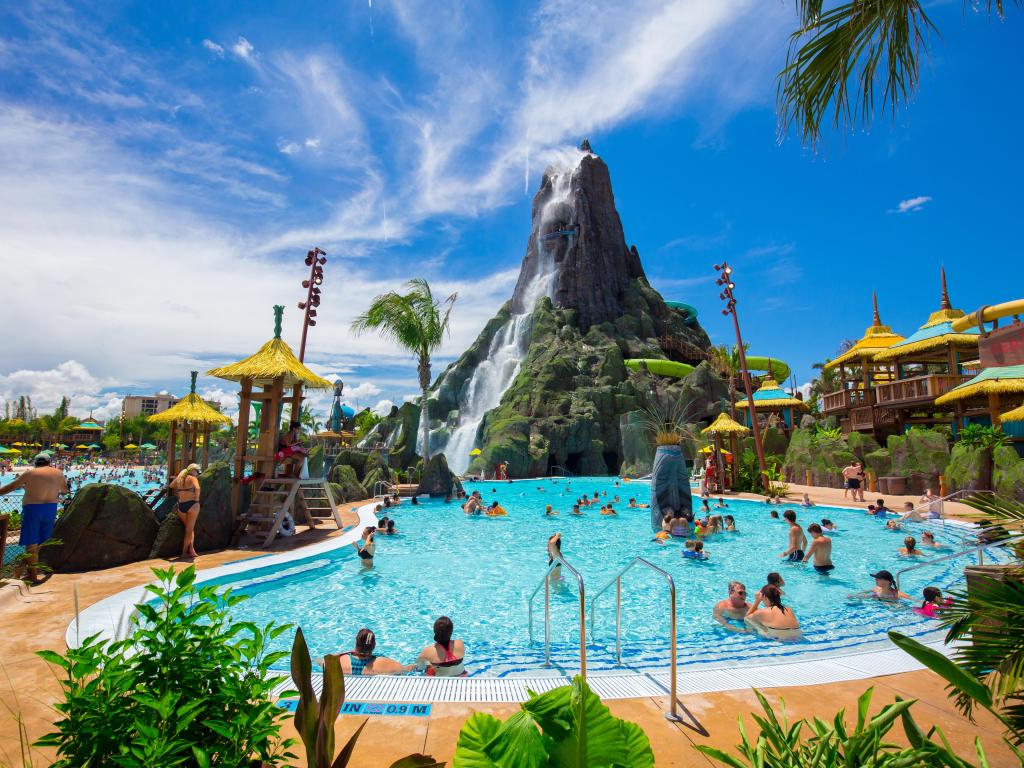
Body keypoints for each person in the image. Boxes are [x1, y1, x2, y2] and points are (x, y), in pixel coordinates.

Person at [0, 452, 67, 582]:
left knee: (31, 542)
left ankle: (32, 575)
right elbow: (64, 490)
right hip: (51, 508)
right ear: (49, 462)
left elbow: (10, 487)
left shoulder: (30, 473)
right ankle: (21, 569)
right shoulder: (58, 473)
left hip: (33, 509)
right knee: (42, 541)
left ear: (36, 463)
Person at [335, 628, 409, 676]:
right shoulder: (383, 662)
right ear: (374, 645)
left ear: (356, 643)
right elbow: (404, 670)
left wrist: (345, 653)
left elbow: (323, 662)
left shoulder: (340, 660)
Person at [169, 463, 202, 561]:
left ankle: (191, 550)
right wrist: (196, 498)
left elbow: (171, 485)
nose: (197, 473)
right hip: (192, 505)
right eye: (197, 471)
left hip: (182, 506)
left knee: (189, 530)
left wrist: (179, 476)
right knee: (189, 530)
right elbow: (197, 488)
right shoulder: (192, 478)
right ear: (193, 470)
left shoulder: (181, 478)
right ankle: (184, 553)